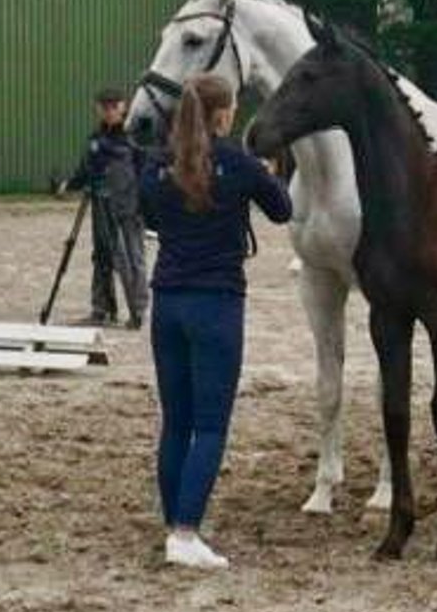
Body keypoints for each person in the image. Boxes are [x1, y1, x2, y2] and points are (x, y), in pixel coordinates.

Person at [140, 73, 292, 571]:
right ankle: (185, 534)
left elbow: (152, 219)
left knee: (175, 423)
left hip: (167, 301)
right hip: (217, 303)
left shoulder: (158, 164)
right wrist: (267, 171)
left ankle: (175, 524)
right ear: (224, 114)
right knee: (210, 426)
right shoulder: (239, 163)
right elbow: (282, 210)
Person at [63, 88, 149, 329]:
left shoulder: (135, 139)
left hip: (129, 208)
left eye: (114, 106)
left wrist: (145, 206)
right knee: (101, 256)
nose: (110, 111)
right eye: (105, 106)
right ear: (98, 109)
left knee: (132, 258)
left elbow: (145, 173)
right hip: (101, 204)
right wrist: (67, 185)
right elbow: (85, 171)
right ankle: (101, 309)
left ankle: (137, 312)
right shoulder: (96, 139)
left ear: (124, 107)